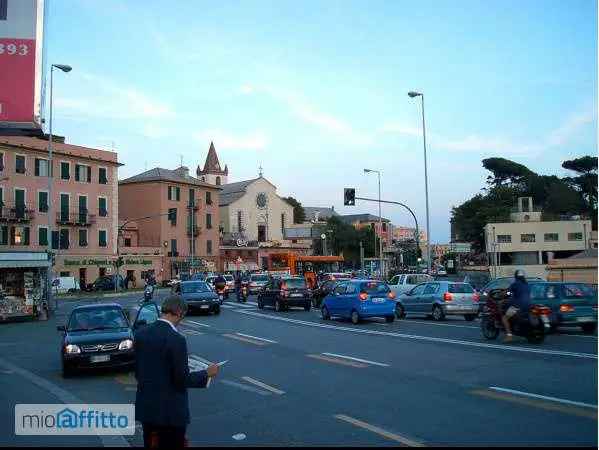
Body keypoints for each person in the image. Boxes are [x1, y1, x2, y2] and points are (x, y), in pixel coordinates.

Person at [135, 296, 219, 448]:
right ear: (179, 312)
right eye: (184, 315)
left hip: (147, 409)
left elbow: (138, 372)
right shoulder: (176, 339)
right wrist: (206, 374)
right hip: (170, 413)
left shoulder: (141, 334)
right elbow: (181, 379)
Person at [501, 269, 531, 343]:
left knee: (504, 318)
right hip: (528, 305)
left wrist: (502, 294)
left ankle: (509, 336)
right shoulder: (526, 284)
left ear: (516, 276)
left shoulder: (515, 284)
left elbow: (507, 292)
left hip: (518, 306)